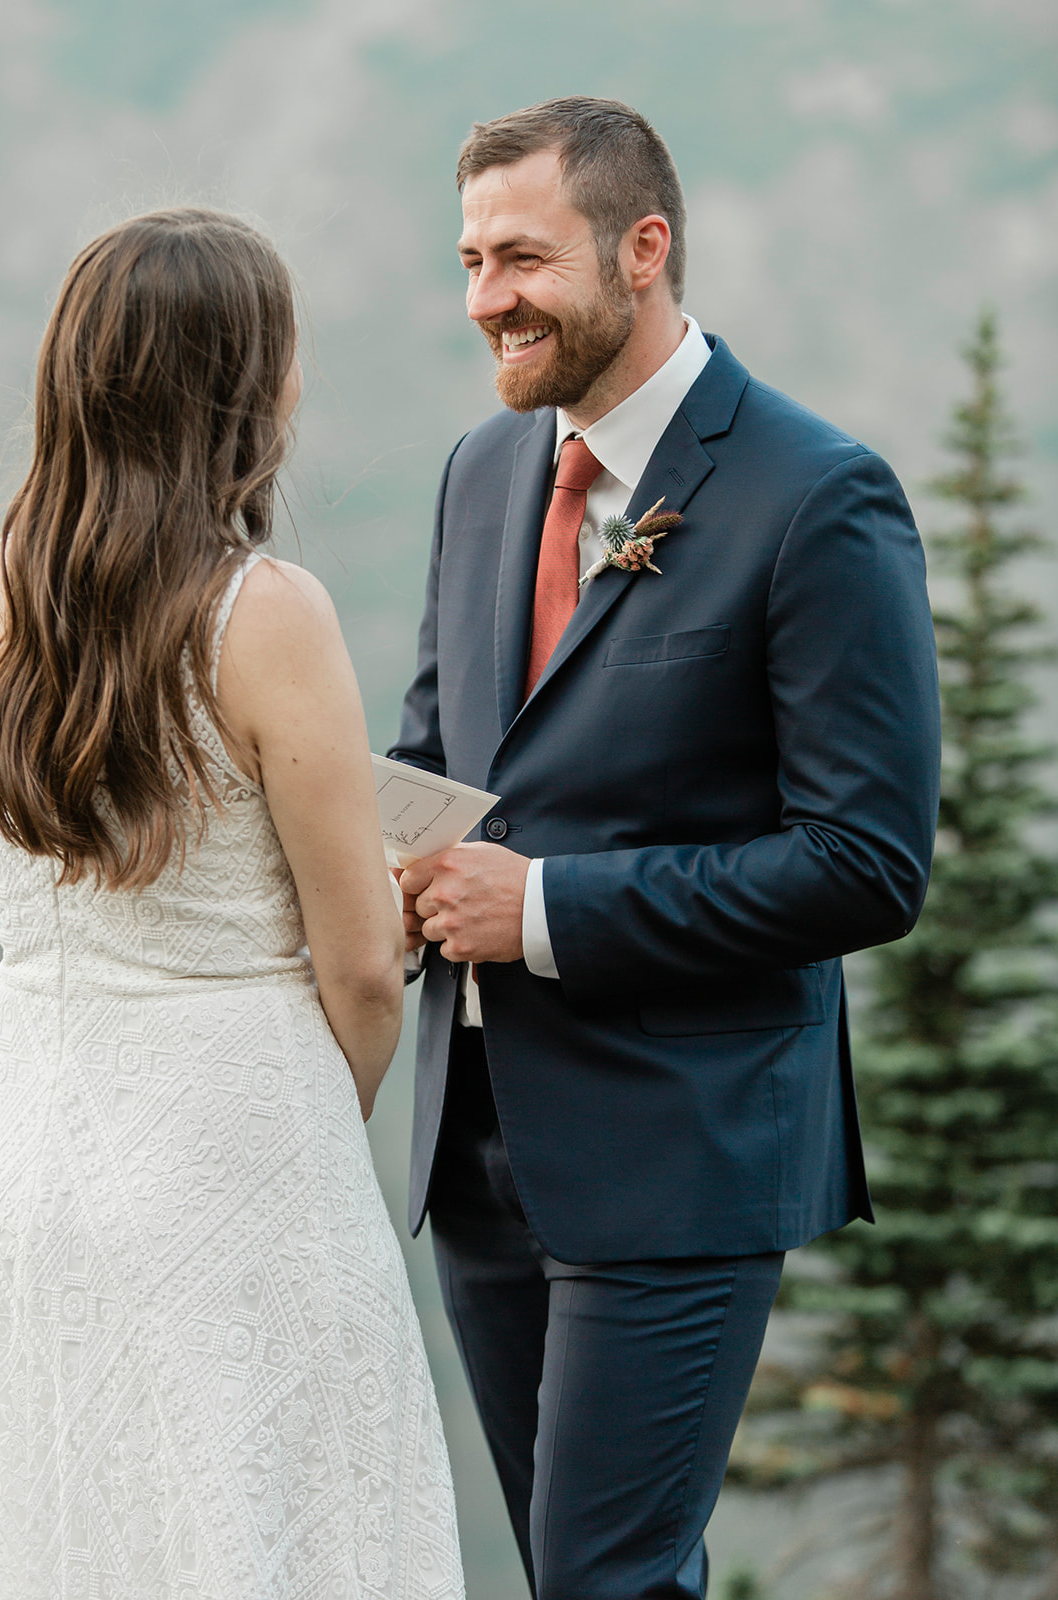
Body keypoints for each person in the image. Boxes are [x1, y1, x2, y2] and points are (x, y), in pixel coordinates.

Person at [391, 98, 940, 1599]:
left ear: (645, 249)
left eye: (519, 256)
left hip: (679, 1146)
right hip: (481, 1137)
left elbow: (867, 861)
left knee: (604, 1585)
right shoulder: (483, 473)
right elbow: (439, 757)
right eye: (468, 258)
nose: (483, 299)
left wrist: (550, 907)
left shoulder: (817, 495)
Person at [0, 208, 463, 1600]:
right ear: (238, 385)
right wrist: (307, 1105)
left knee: (73, 1527)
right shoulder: (264, 609)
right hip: (235, 1146)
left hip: (34, 1150)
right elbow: (360, 967)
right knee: (279, 1538)